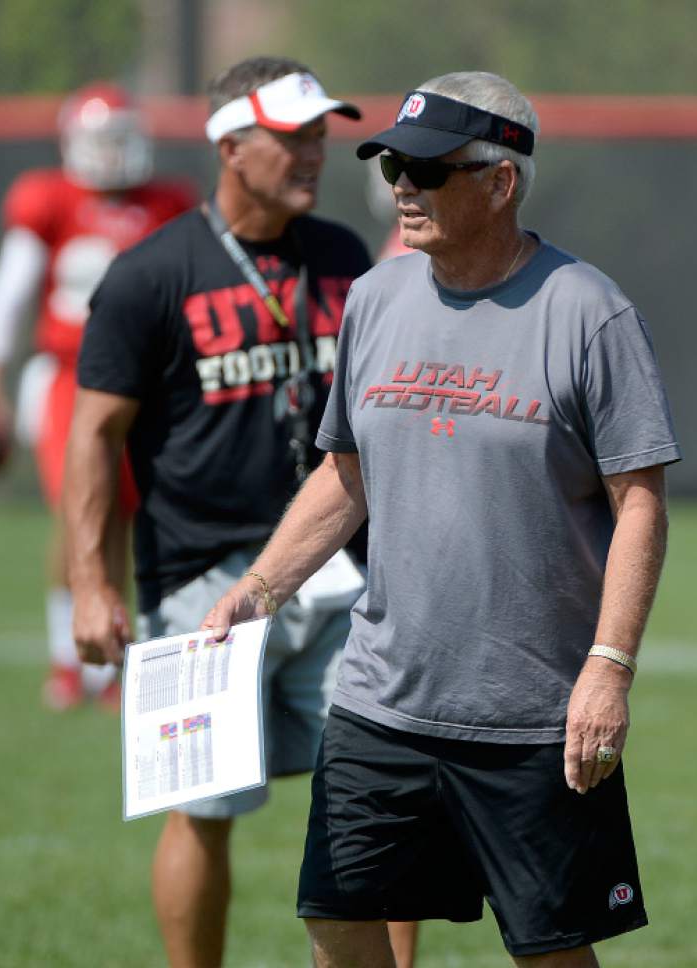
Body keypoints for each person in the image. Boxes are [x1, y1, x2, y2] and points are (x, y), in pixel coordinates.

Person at [201, 70, 682, 968]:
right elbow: (347, 476)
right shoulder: (377, 298)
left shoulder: (589, 312)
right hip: (381, 698)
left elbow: (640, 506)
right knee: (336, 922)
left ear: (500, 182)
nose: (402, 189)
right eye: (392, 168)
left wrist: (607, 670)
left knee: (550, 949)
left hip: (533, 714)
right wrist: (263, 584)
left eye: (428, 171)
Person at [64, 56, 418, 968]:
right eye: (289, 135)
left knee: (386, 793)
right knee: (204, 810)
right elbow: (94, 434)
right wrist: (91, 581)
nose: (312, 151)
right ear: (229, 143)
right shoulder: (149, 273)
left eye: (319, 134)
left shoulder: (341, 255)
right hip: (197, 579)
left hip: (343, 571)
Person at [0, 82, 195, 710]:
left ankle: (115, 662)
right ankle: (72, 658)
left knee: (128, 515)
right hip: (73, 375)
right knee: (79, 512)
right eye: (102, 140)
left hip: (151, 383)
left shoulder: (167, 203)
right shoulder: (49, 199)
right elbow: (11, 294)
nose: (114, 154)